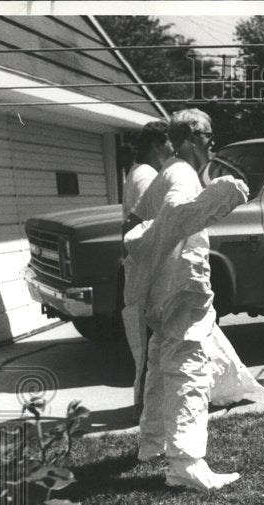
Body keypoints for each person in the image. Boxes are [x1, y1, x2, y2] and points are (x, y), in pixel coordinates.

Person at [123, 109, 249, 491]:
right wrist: (220, 199)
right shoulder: (183, 173)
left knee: (163, 366)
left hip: (165, 285)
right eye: (208, 134)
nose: (213, 141)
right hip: (180, 283)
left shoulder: (167, 173)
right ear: (191, 137)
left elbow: (137, 222)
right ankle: (186, 463)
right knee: (189, 367)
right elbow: (175, 216)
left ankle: (152, 442)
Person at [121, 121, 174, 415]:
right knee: (149, 343)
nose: (172, 148)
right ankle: (146, 407)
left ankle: (149, 404)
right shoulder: (147, 176)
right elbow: (141, 223)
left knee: (150, 342)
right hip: (147, 269)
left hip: (144, 266)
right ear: (157, 144)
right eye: (169, 143)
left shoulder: (139, 172)